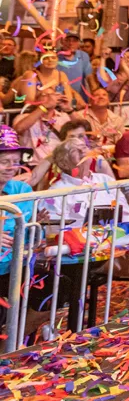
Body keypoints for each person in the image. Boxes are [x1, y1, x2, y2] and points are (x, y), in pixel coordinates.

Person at [42, 140, 129, 308]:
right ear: (64, 162)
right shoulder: (57, 191)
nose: (83, 150)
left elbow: (128, 217)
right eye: (75, 149)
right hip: (83, 256)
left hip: (115, 246)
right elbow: (52, 233)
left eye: (84, 147)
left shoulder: (105, 180)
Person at [0, 125, 45, 340]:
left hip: (15, 266)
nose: (11, 167)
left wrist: (37, 228)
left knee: (55, 287)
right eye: (4, 161)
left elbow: (32, 236)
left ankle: (13, 343)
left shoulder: (21, 190)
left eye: (15, 161)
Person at [13, 90, 72, 169]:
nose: (50, 97)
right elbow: (18, 129)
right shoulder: (24, 117)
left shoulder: (64, 116)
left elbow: (85, 130)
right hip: (34, 166)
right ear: (36, 100)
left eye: (52, 95)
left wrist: (69, 110)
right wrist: (44, 107)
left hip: (59, 166)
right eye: (44, 95)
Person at [17, 49, 85, 109]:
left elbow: (69, 100)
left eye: (53, 58)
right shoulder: (30, 75)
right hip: (37, 113)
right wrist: (48, 102)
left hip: (59, 113)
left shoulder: (62, 75)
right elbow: (29, 103)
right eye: (46, 58)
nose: (50, 60)